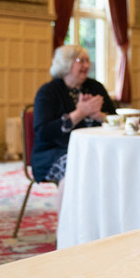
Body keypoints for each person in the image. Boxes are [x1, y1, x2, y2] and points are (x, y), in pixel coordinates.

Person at [32, 45, 117, 184]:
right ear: (66, 63)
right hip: (53, 152)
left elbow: (115, 119)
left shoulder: (96, 87)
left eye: (87, 61)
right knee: (78, 169)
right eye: (81, 60)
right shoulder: (48, 92)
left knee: (116, 163)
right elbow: (43, 132)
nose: (86, 65)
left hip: (95, 149)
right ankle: (72, 206)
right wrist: (80, 113)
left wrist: (100, 116)